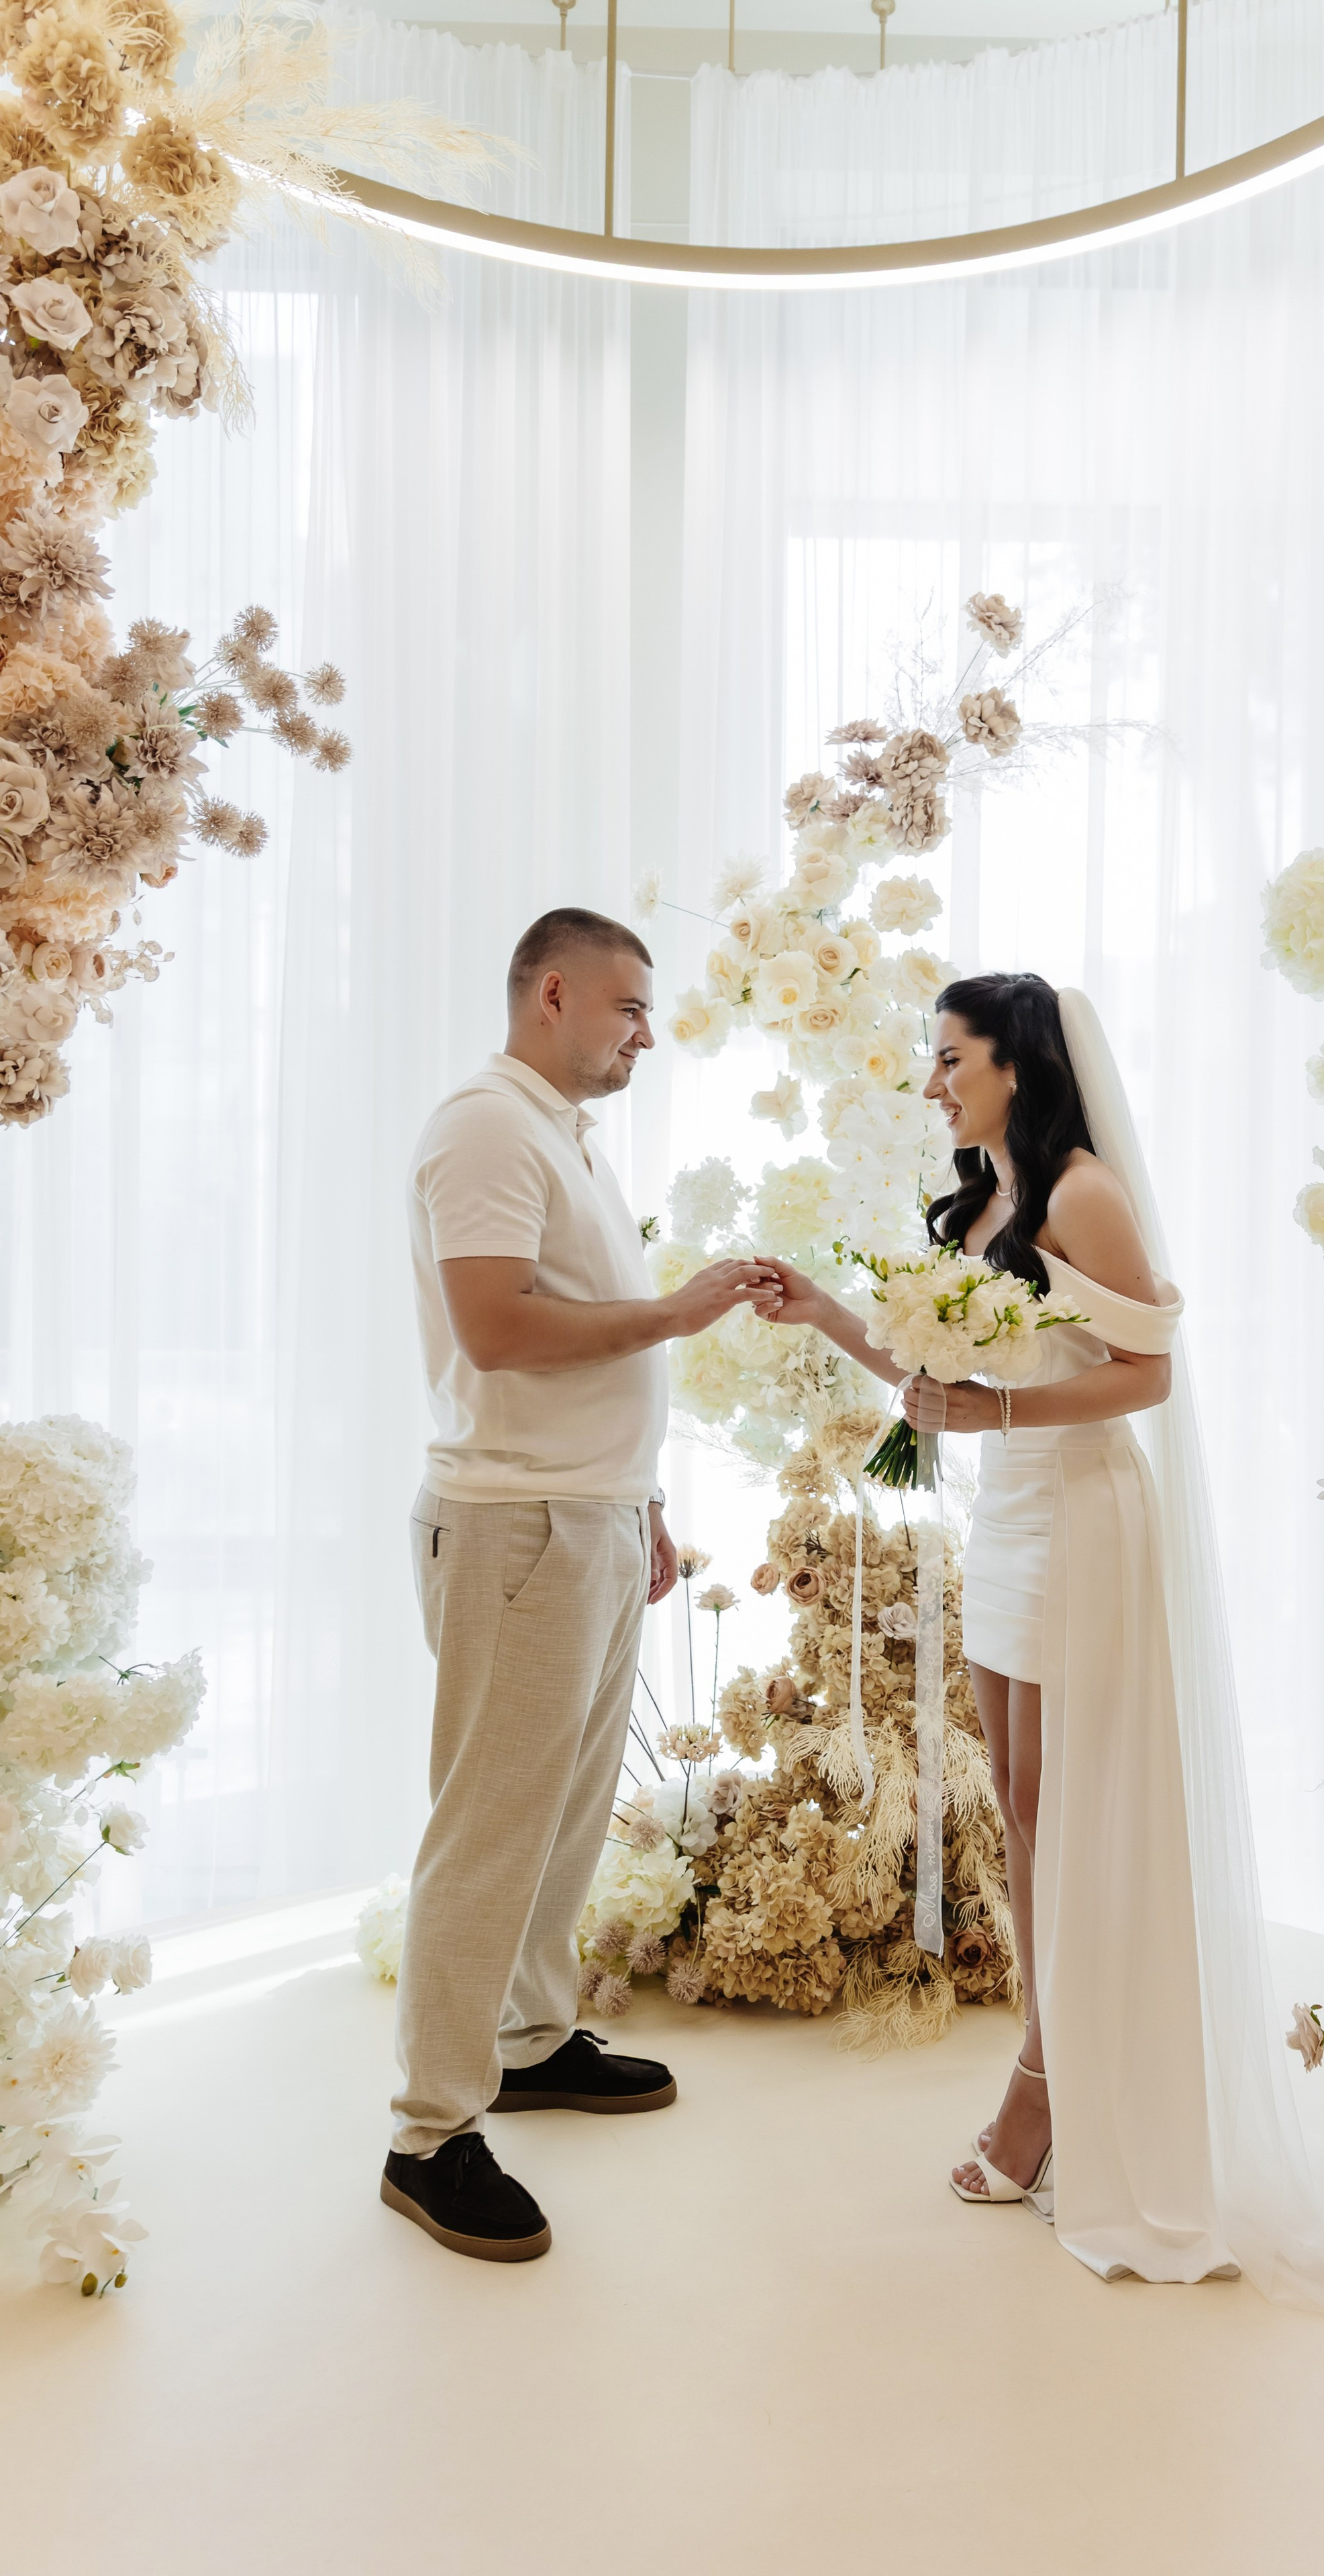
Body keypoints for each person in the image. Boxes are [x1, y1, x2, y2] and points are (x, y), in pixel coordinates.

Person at [760, 973, 1324, 2361]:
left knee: (1073, 1812)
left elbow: (1142, 1374)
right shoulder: (974, 1200)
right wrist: (825, 1312)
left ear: (1015, 1064)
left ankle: (1050, 2092)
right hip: (1007, 1522)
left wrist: (1000, 1404)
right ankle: (1055, 2064)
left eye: (946, 1058)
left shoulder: (1081, 1192)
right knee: (1018, 1814)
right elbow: (935, 1374)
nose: (928, 1082)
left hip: (1082, 1515)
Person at [384, 906, 781, 2263]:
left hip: (589, 1517)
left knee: (560, 1813)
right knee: (492, 1822)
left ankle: (530, 2037)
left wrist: (645, 1502)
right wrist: (677, 1312)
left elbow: (579, 1336)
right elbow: (497, 1330)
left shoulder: (563, 1136)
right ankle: (428, 2133)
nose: (645, 1037)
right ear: (552, 993)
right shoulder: (487, 1126)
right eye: (627, 1010)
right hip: (515, 1524)